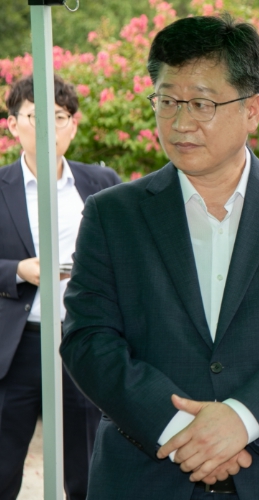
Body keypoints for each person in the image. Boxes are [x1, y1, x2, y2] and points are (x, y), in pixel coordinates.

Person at [59, 14, 259, 500]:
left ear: (252, 110)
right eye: (167, 102)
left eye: (201, 103)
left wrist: (242, 419)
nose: (181, 123)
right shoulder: (112, 213)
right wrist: (183, 430)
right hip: (146, 473)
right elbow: (88, 338)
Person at [0, 74, 120, 500]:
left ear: (74, 123)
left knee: (88, 468)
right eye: (37, 116)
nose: (50, 128)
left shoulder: (101, 183)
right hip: (17, 348)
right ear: (13, 123)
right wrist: (18, 270)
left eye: (60, 116)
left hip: (83, 342)